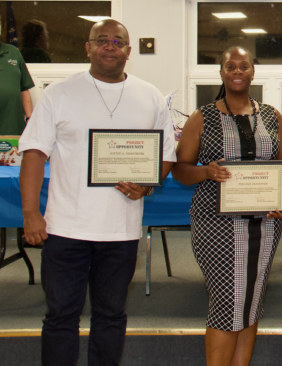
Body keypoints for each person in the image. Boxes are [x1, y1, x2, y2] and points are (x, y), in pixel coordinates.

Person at [19, 19, 177, 366]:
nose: (110, 46)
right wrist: (31, 213)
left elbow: (166, 154)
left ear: (128, 51)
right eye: (101, 40)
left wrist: (147, 184)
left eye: (118, 41)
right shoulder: (58, 94)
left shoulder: (149, 94)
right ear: (88, 47)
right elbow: (33, 154)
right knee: (61, 317)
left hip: (120, 232)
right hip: (65, 230)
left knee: (110, 316)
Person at [172, 46, 282, 366]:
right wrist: (206, 171)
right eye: (231, 66)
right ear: (222, 72)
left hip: (265, 224)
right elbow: (180, 168)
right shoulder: (202, 117)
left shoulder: (271, 115)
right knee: (228, 301)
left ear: (253, 72)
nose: (237, 71)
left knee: (252, 302)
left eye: (244, 66)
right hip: (216, 226)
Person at [0, 9, 34, 253]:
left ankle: (28, 232)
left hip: (15, 131)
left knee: (19, 181)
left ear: (0, 28)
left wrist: (31, 120)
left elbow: (25, 89)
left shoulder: (13, 53)